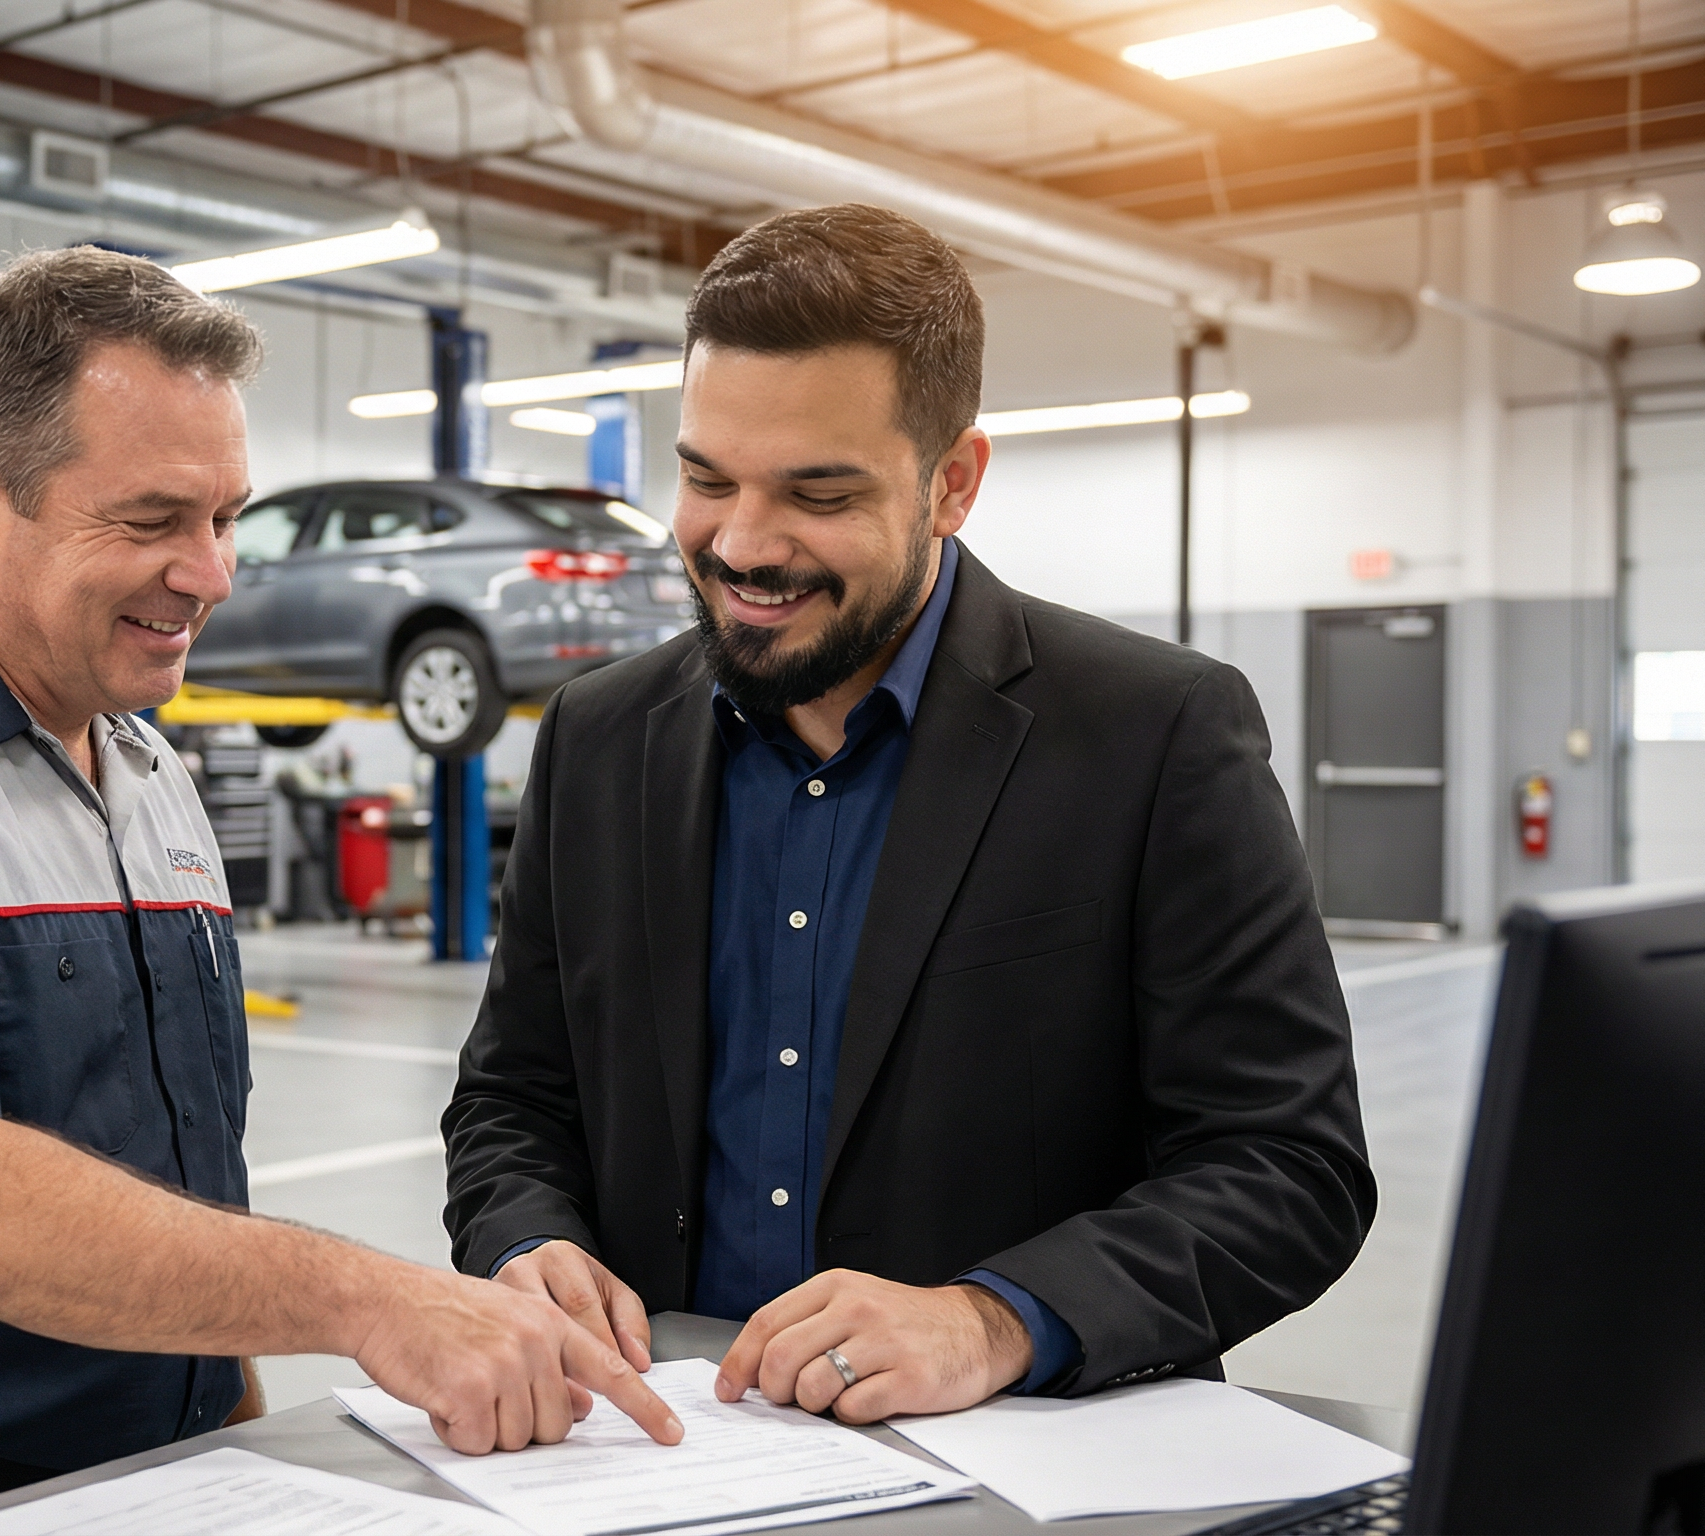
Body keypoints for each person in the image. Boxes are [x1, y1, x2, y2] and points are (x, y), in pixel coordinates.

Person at [0, 247, 678, 1536]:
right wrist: (368, 1301)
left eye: (225, 516)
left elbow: (182, 1176)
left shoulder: (143, 764)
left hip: (162, 1483)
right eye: (150, 521)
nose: (212, 572)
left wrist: (244, 1431)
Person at [443, 205, 1375, 1426]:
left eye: (816, 494)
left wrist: (994, 1318)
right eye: (705, 477)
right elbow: (513, 1098)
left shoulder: (1155, 734)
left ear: (952, 483)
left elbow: (1286, 1166)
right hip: (661, 1455)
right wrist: (525, 1244)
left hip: (1017, 1459)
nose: (742, 543)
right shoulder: (598, 737)